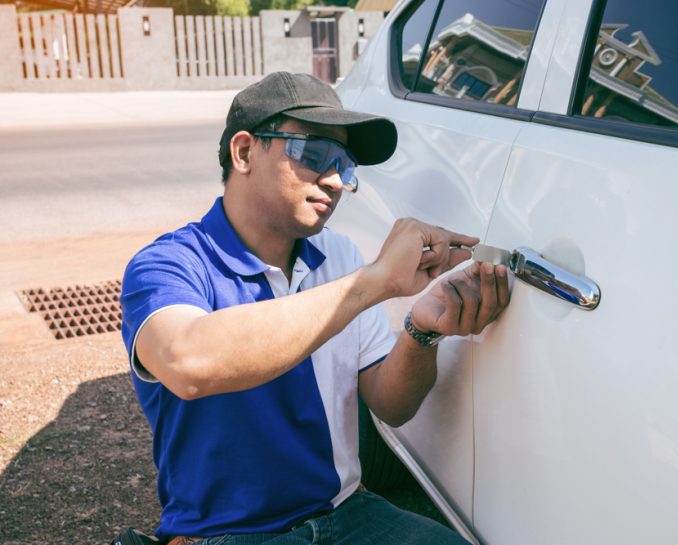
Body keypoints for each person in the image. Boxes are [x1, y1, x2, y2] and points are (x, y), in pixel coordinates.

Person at [120, 72, 510, 545]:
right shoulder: (169, 265)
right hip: (226, 534)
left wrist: (422, 331)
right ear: (244, 152)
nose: (335, 181)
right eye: (313, 154)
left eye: (345, 165)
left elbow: (391, 404)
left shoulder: (339, 256)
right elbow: (188, 363)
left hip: (347, 514)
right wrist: (375, 283)